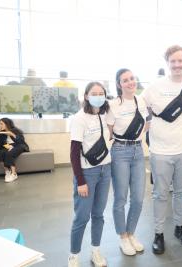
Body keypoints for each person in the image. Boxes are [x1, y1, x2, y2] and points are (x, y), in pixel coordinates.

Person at [141, 45, 182, 254]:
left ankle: (179, 227)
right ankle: (158, 233)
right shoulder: (154, 87)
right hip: (160, 151)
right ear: (167, 63)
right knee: (160, 194)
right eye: (173, 61)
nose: (177, 65)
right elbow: (139, 107)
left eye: (180, 61)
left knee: (180, 192)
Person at [68, 81, 111, 267]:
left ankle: (95, 251)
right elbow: (73, 152)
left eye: (101, 93)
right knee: (81, 217)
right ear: (86, 96)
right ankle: (74, 255)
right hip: (87, 173)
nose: (98, 96)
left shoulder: (103, 114)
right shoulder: (79, 118)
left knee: (99, 215)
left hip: (105, 169)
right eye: (94, 93)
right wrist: (80, 181)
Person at [107, 68, 148, 256]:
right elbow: (107, 131)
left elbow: (146, 123)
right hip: (120, 151)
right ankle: (122, 236)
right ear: (119, 84)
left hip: (138, 151)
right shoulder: (113, 105)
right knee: (120, 198)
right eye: (125, 80)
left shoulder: (142, 101)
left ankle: (131, 233)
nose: (130, 82)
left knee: (138, 198)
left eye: (132, 78)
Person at [0, 118, 29, 183]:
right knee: (1, 152)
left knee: (9, 153)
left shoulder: (15, 130)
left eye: (1, 124)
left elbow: (21, 142)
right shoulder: (2, 133)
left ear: (7, 124)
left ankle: (14, 174)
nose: (0, 126)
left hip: (19, 145)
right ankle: (7, 171)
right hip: (8, 146)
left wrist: (12, 134)